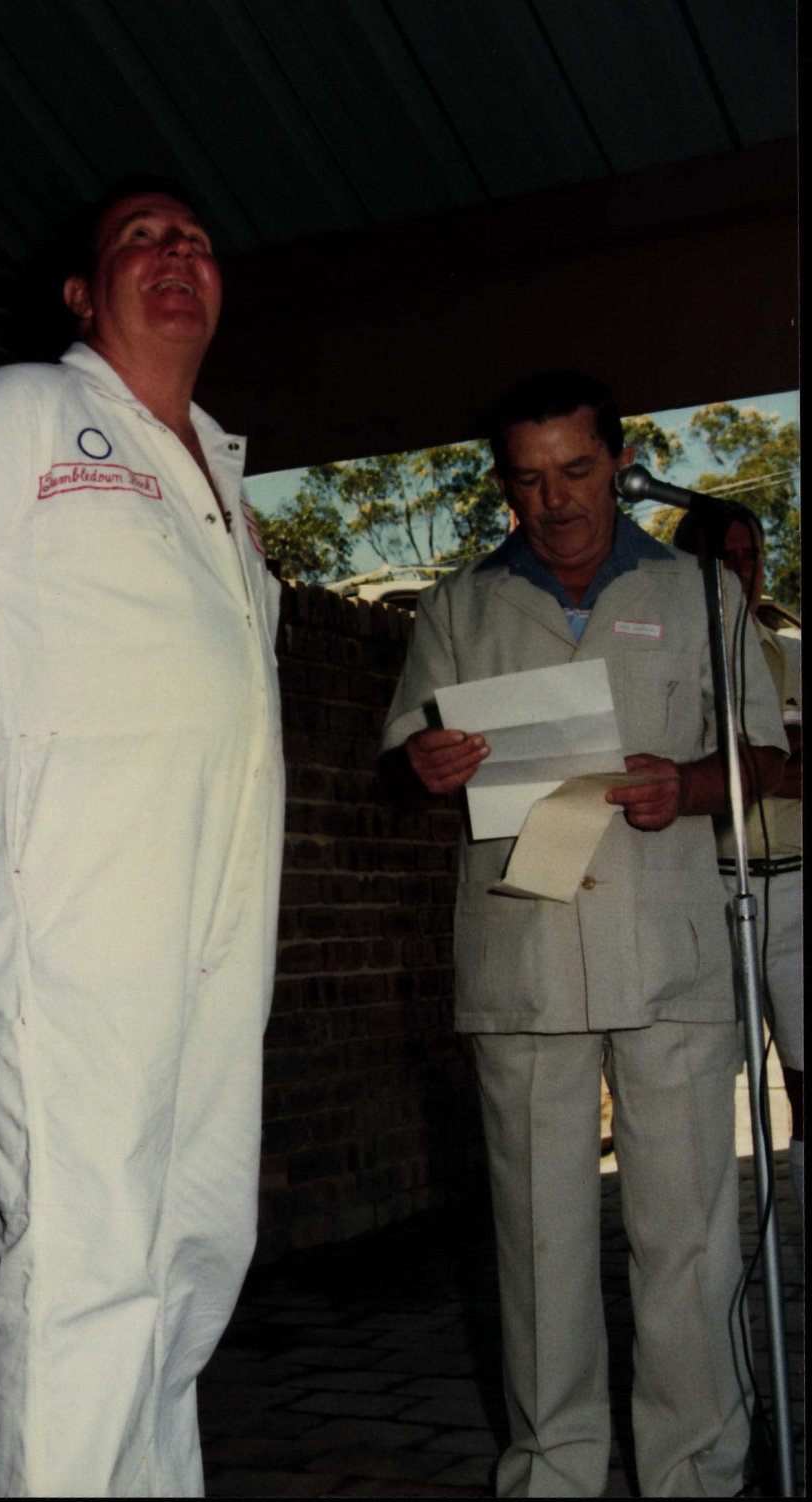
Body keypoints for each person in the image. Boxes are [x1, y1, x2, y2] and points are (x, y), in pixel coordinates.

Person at [0, 177, 285, 1497]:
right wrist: (20, 819)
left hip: (214, 931)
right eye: (139, 240)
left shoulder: (222, 482)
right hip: (78, 924)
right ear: (84, 294)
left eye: (195, 236)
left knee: (189, 1254)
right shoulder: (19, 410)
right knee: (85, 1273)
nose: (174, 252)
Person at [378, 371, 787, 1498]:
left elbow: (770, 758)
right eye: (527, 478)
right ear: (503, 483)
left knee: (685, 1241)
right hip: (523, 955)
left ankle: (695, 1470)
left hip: (670, 955)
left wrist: (693, 782)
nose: (553, 500)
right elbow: (399, 768)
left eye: (574, 470)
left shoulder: (702, 590)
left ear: (617, 461)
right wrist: (422, 767)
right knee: (540, 1243)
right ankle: (553, 1471)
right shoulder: (457, 607)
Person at [674, 506, 803, 1213]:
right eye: (721, 559)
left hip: (798, 884)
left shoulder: (793, 654)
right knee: (705, 1085)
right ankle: (716, 1248)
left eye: (749, 556)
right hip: (712, 886)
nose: (739, 573)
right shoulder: (673, 657)